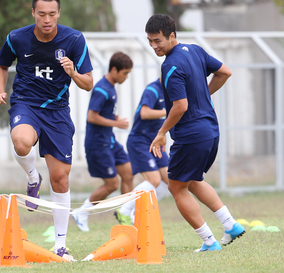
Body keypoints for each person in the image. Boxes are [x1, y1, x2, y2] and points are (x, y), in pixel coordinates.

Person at [0, 0, 93, 260]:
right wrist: (1, 90)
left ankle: (60, 245)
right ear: (33, 13)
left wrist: (73, 72)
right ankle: (31, 176)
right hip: (26, 104)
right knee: (22, 140)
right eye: (41, 14)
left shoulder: (74, 40)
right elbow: (1, 65)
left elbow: (88, 84)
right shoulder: (17, 38)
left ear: (59, 13)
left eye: (52, 14)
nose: (47, 20)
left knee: (60, 179)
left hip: (58, 112)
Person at [146, 14, 245, 252]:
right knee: (192, 180)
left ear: (172, 36)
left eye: (157, 40)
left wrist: (161, 133)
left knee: (176, 187)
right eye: (150, 41)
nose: (153, 46)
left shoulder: (170, 64)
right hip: (211, 131)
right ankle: (230, 225)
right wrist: (204, 94)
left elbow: (180, 106)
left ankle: (209, 241)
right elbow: (225, 72)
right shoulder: (196, 50)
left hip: (191, 135)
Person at [71, 52, 133, 232]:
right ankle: (82, 212)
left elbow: (103, 113)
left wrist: (113, 117)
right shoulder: (101, 89)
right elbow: (92, 117)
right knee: (112, 184)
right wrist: (117, 123)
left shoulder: (111, 87)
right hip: (98, 143)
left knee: (128, 172)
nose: (126, 77)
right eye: (125, 73)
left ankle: (125, 212)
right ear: (114, 70)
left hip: (109, 140)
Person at [116, 78, 170, 225]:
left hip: (155, 142)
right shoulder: (152, 90)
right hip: (140, 141)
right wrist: (168, 111)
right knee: (154, 180)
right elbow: (145, 113)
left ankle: (136, 212)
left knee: (169, 179)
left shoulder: (172, 90)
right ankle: (124, 210)